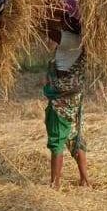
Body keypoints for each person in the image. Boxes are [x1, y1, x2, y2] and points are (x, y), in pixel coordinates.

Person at [43, 16, 91, 189]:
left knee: (57, 138)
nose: (60, 19)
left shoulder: (70, 39)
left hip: (61, 100)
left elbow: (45, 28)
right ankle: (85, 180)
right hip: (73, 99)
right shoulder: (80, 38)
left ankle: (54, 184)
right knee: (74, 135)